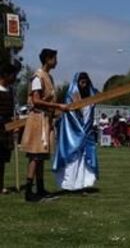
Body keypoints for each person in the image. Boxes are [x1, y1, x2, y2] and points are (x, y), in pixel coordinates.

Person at [21, 48, 69, 202]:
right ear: (48, 59)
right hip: (37, 120)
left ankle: (40, 188)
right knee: (35, 155)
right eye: (55, 58)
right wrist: (58, 107)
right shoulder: (38, 77)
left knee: (41, 156)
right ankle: (29, 191)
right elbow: (35, 100)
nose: (57, 61)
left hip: (45, 120)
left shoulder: (49, 77)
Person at [53, 72, 99, 191]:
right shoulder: (71, 95)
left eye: (85, 80)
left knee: (84, 159)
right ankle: (69, 184)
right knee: (73, 158)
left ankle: (83, 184)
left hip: (87, 131)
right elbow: (70, 115)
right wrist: (79, 130)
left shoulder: (91, 94)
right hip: (74, 133)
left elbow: (90, 111)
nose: (84, 83)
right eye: (81, 81)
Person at [0, 63, 18, 194]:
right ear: (5, 75)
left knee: (2, 158)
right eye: (13, 75)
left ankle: (0, 186)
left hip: (7, 127)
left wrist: (15, 124)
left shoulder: (11, 90)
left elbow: (12, 111)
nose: (14, 78)